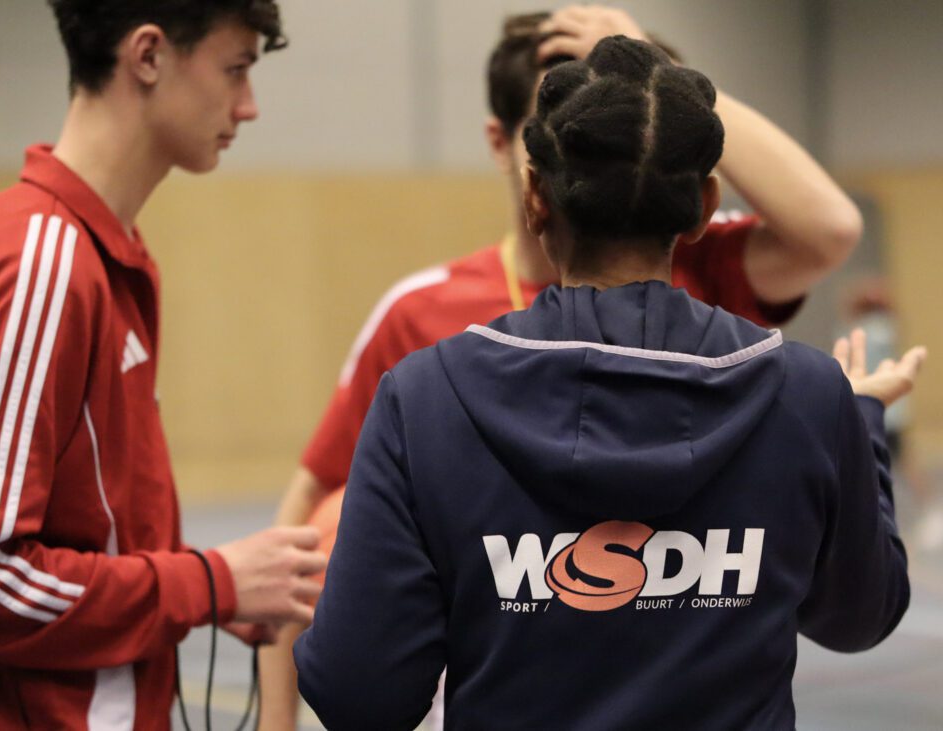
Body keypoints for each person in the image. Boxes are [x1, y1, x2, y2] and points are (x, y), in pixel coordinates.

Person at [259, 5, 864, 727]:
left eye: (620, 122)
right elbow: (306, 510)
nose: (602, 138)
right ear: (511, 151)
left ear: (535, 191)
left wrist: (662, 82)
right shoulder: (420, 319)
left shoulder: (699, 272)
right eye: (574, 120)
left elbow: (830, 227)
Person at [0, 2, 326, 728]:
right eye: (235, 70)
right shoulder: (42, 263)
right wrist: (204, 583)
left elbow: (82, 528)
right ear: (147, 56)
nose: (249, 105)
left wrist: (210, 586)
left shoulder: (105, 254)